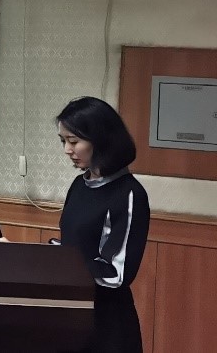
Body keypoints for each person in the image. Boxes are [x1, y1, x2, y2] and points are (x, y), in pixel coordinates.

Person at [55, 96, 149, 353]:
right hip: (71, 312)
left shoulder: (129, 193)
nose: (67, 150)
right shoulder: (79, 185)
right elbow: (74, 246)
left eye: (74, 141)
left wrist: (61, 265)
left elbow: (116, 273)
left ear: (101, 140)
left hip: (106, 323)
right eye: (63, 141)